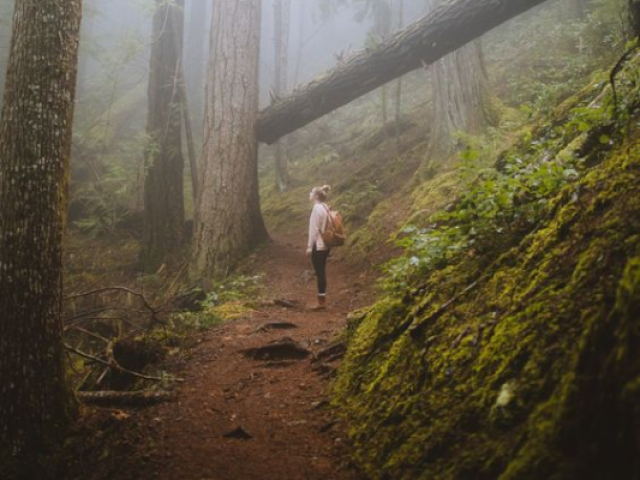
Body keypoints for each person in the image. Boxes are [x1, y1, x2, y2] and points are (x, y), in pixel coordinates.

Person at [307, 185, 332, 311]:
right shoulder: (325, 206)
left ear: (316, 196)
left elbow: (313, 230)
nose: (309, 194)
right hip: (326, 244)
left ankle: (321, 303)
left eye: (311, 192)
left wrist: (309, 247)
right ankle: (321, 300)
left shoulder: (316, 208)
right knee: (321, 271)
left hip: (318, 245)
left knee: (320, 272)